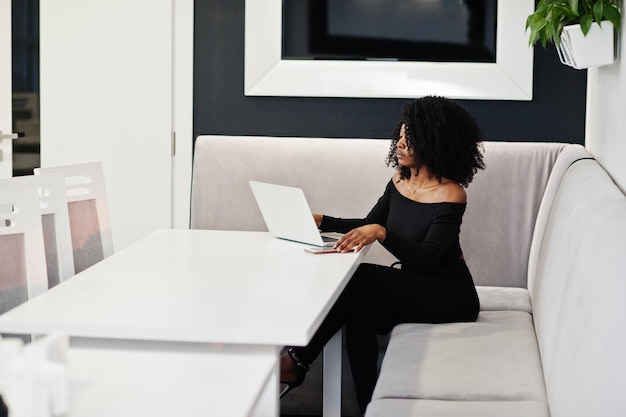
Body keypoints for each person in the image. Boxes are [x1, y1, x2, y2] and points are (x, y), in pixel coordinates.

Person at [279, 95, 486, 414]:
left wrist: (383, 233)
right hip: (414, 288)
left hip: (450, 297)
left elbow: (427, 258)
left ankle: (296, 360)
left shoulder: (451, 194)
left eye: (410, 138)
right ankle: (368, 408)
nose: (400, 144)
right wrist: (324, 221)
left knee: (361, 277)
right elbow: (369, 223)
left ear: (433, 142)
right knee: (359, 312)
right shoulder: (400, 181)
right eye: (400, 135)